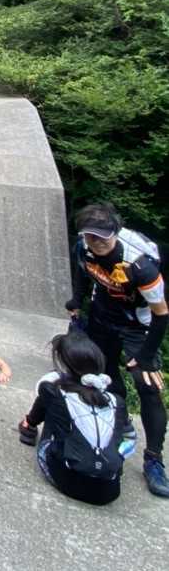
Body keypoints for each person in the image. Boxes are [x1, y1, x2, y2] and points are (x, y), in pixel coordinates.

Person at [66, 203, 169, 498]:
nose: (97, 243)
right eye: (91, 237)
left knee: (147, 386)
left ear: (115, 232)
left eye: (103, 237)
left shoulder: (140, 264)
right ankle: (121, 423)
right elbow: (82, 272)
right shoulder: (83, 247)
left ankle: (154, 459)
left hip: (138, 323)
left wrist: (146, 357)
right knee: (102, 372)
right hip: (102, 315)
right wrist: (77, 301)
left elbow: (161, 313)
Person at [18, 329, 131, 505]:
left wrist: (32, 421)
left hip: (68, 481)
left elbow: (50, 396)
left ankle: (28, 427)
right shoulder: (116, 401)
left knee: (53, 405)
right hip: (109, 491)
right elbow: (128, 438)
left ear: (64, 366)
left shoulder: (55, 391)